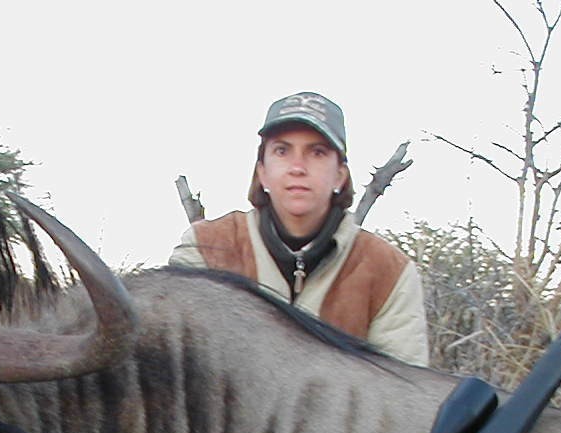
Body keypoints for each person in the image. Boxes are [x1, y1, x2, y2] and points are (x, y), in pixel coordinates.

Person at [170, 91, 429, 366]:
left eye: (316, 152)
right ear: (262, 171)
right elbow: (173, 368)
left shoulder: (389, 272)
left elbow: (402, 392)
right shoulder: (204, 248)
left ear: (340, 175)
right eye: (282, 151)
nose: (297, 167)